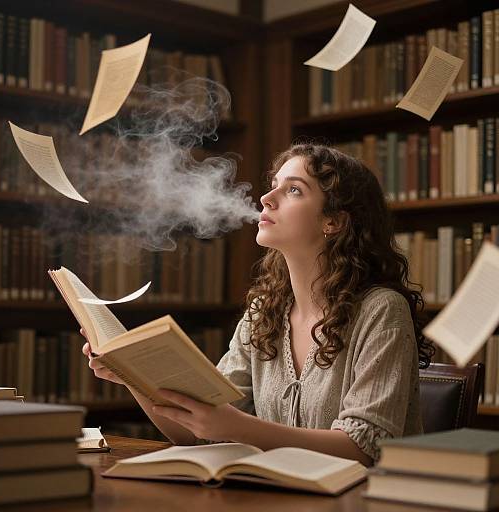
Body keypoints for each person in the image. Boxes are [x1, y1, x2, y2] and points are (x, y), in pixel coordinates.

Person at [82, 143, 433, 466]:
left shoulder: (382, 311)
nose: (266, 198)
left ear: (334, 221)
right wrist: (130, 375)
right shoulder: (264, 311)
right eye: (274, 184)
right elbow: (193, 431)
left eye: (293, 189)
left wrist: (238, 427)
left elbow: (363, 450)